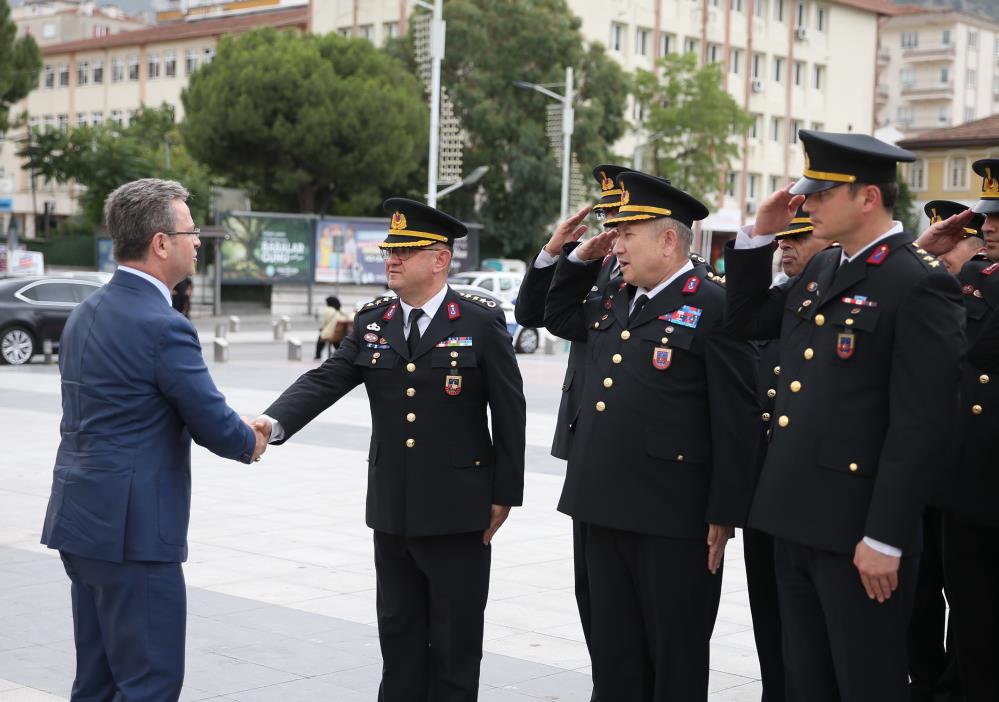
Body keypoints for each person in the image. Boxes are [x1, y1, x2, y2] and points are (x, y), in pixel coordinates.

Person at [724, 130, 965, 702]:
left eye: (821, 193)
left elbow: (922, 426)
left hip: (860, 536)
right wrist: (760, 231)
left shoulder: (918, 283)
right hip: (794, 521)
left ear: (867, 198)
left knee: (866, 683)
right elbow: (746, 319)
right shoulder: (820, 271)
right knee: (806, 682)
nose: (805, 205)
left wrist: (886, 536)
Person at [253, 198, 526, 702]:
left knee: (455, 646)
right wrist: (273, 422)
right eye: (390, 250)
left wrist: (505, 493)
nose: (392, 259)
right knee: (398, 639)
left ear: (441, 259)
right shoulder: (375, 318)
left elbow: (510, 411)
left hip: (458, 513)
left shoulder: (480, 321)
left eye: (406, 250)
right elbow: (329, 377)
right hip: (392, 510)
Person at [39, 179, 267, 701]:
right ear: (161, 243)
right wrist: (250, 439)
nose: (198, 242)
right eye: (190, 232)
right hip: (133, 533)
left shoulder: (85, 312)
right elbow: (211, 421)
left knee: (96, 682)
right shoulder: (163, 325)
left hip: (80, 520)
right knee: (150, 682)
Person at [544, 171, 760, 701]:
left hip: (673, 519)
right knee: (613, 657)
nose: (615, 247)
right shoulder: (615, 296)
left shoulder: (714, 305)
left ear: (667, 240)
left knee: (674, 658)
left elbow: (736, 418)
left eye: (626, 236)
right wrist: (572, 257)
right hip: (601, 506)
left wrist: (724, 513)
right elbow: (550, 314)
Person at [915, 160, 999, 702]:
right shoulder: (974, 278)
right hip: (967, 486)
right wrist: (922, 250)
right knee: (972, 622)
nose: (988, 227)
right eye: (988, 217)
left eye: (998, 220)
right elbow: (912, 301)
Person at [746, 207, 823, 702]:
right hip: (763, 487)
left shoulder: (835, 302)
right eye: (781, 238)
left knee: (816, 636)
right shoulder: (773, 298)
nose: (785, 246)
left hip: (817, 491)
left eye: (798, 237)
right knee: (768, 614)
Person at [315, 295, 347, 360]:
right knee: (336, 343)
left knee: (320, 339)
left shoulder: (327, 310)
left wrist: (321, 328)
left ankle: (318, 356)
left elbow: (324, 322)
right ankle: (340, 354)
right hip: (338, 333)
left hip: (328, 333)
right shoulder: (340, 310)